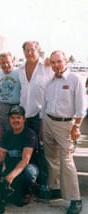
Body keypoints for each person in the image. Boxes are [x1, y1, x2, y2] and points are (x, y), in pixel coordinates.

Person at [42, 50, 87, 214]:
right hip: (48, 122)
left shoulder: (76, 80)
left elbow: (82, 106)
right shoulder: (50, 81)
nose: (56, 65)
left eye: (59, 61)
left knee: (66, 161)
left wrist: (77, 126)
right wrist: (42, 125)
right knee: (51, 157)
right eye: (53, 63)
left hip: (65, 125)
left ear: (66, 61)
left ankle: (75, 199)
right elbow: (45, 104)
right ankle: (55, 189)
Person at [0, 105, 39, 213]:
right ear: (9, 120)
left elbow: (25, 160)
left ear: (23, 119)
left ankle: (28, 192)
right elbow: (1, 159)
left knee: (30, 172)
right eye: (13, 118)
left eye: (18, 118)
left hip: (26, 168)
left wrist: (10, 176)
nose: (15, 120)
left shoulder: (29, 134)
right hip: (11, 167)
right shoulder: (6, 135)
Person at [17, 41, 53, 197]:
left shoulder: (46, 67)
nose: (29, 53)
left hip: (40, 116)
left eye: (33, 50)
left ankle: (43, 185)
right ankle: (28, 186)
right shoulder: (19, 70)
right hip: (24, 117)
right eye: (27, 50)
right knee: (25, 151)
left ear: (39, 51)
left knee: (41, 151)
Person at [0, 52, 21, 134]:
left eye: (8, 62)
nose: (6, 65)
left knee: (11, 133)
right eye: (3, 63)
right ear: (0, 63)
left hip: (14, 108)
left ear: (13, 61)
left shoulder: (20, 72)